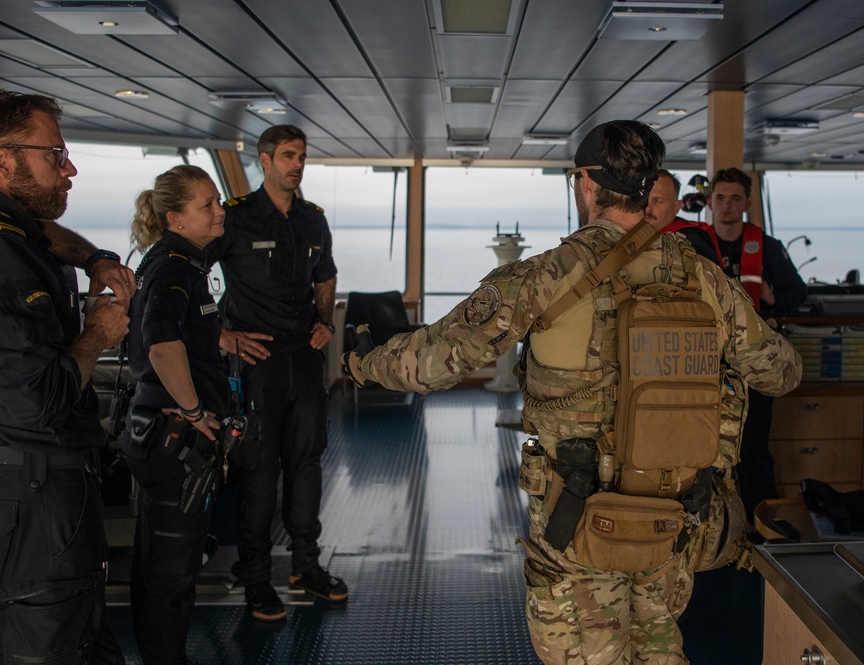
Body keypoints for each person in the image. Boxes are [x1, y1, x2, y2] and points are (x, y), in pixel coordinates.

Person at [342, 120, 802, 663]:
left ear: (585, 183)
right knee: (658, 646)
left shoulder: (544, 275)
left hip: (577, 519)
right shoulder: (701, 277)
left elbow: (435, 364)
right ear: (647, 186)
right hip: (675, 517)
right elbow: (781, 374)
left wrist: (361, 363)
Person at [0, 88, 133, 664]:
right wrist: (99, 335)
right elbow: (43, 399)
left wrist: (93, 259)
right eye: (55, 155)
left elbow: (41, 235)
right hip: (35, 497)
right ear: (2, 158)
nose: (70, 168)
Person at [208, 124, 345, 622]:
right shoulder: (236, 220)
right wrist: (221, 337)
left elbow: (325, 274)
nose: (297, 165)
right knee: (260, 471)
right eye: (288, 156)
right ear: (264, 161)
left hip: (304, 359)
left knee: (307, 464)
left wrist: (325, 321)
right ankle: (256, 574)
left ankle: (305, 565)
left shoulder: (312, 221)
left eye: (302, 157)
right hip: (257, 361)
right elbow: (191, 274)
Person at [119, 165, 231, 664]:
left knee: (168, 563)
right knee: (169, 571)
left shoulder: (179, 262)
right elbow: (162, 345)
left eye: (217, 201)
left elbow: (182, 335)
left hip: (168, 431)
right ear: (175, 218)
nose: (218, 210)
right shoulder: (173, 267)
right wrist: (193, 411)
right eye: (207, 204)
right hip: (171, 436)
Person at [672, 168, 808, 520]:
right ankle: (710, 521)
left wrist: (774, 297)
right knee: (705, 443)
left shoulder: (767, 247)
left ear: (747, 204)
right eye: (720, 198)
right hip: (708, 363)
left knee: (753, 446)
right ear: (709, 202)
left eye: (735, 199)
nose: (727, 206)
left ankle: (761, 525)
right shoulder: (692, 245)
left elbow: (798, 293)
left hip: (753, 363)